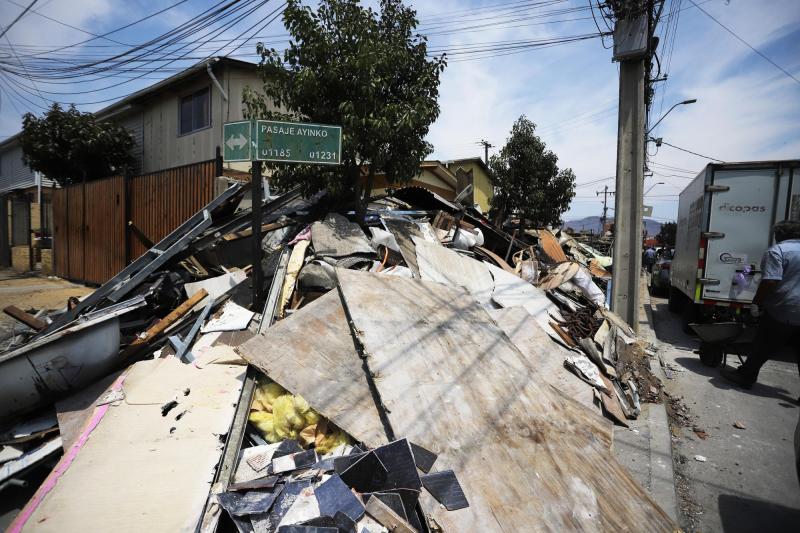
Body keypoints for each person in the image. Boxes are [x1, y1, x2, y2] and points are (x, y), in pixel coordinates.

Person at [723, 220, 800, 388]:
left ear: (778, 235)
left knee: (763, 345)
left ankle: (746, 376)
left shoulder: (778, 251)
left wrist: (756, 303)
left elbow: (771, 281)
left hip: (783, 310)